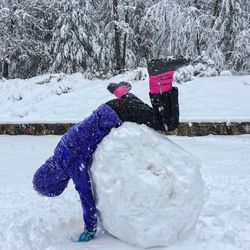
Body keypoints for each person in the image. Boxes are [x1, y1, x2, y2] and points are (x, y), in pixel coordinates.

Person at [32, 57, 189, 242]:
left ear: (55, 181)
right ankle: (122, 92)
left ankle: (160, 75)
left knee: (166, 123)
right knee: (145, 111)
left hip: (116, 115)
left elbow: (85, 194)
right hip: (109, 109)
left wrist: (90, 227)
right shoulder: (60, 150)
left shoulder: (70, 162)